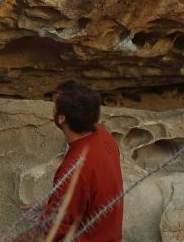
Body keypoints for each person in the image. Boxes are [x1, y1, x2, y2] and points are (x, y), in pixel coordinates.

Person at [41, 81, 123, 241]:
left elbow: (55, 232)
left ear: (62, 118)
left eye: (55, 105)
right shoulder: (104, 137)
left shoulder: (72, 172)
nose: (52, 108)